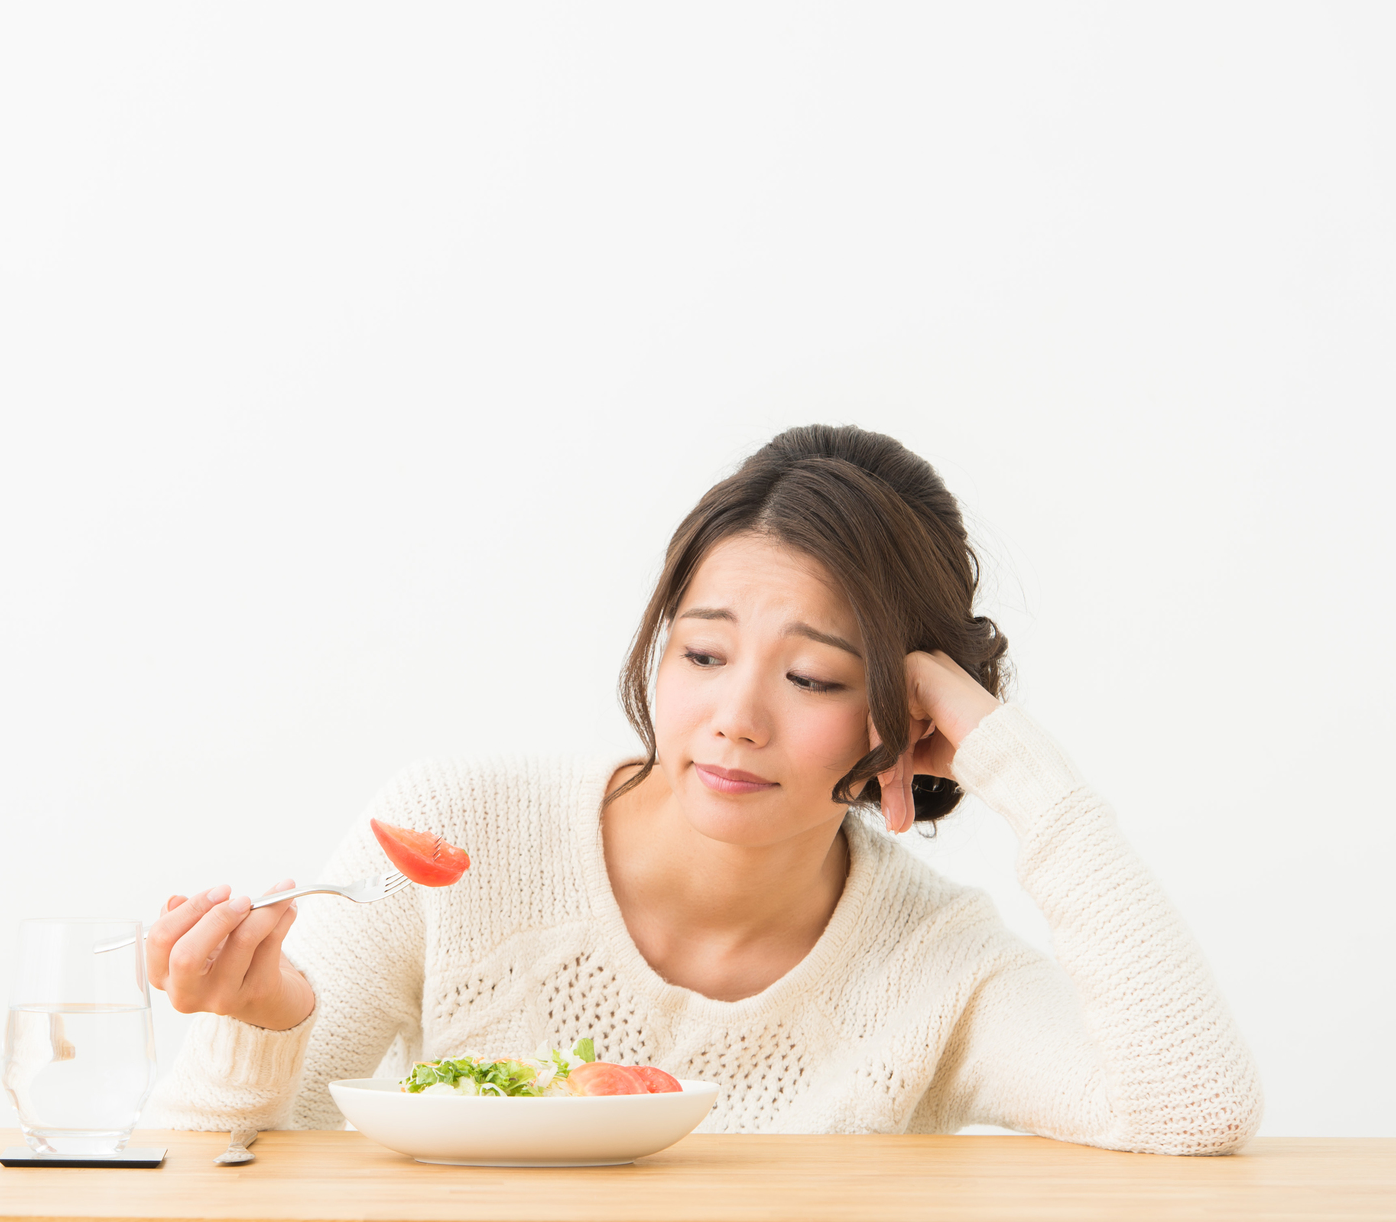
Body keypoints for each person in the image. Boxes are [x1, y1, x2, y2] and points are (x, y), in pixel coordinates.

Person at [139, 425, 1262, 1154]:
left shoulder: (936, 964)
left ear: (899, 715)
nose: (736, 715)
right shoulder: (459, 825)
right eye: (704, 653)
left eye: (814, 674)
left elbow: (1191, 1108)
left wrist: (1013, 760)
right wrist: (259, 1026)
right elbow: (208, 1164)